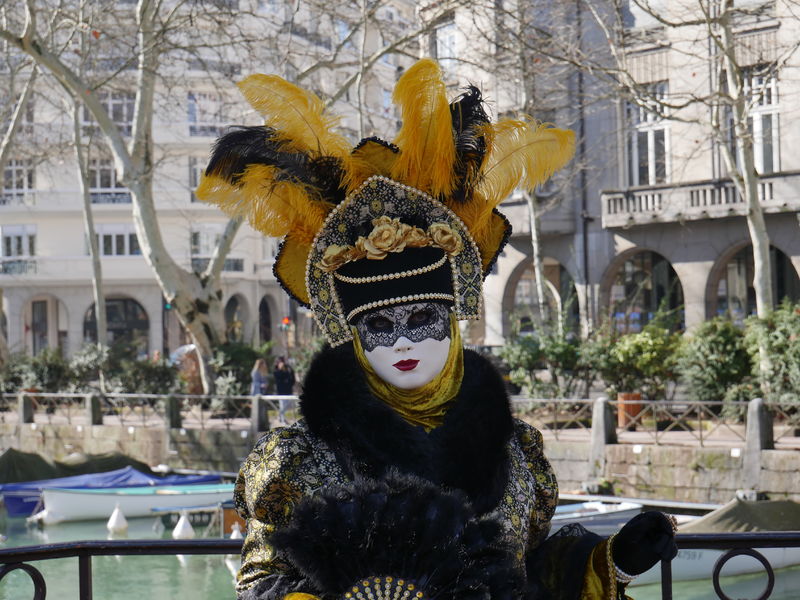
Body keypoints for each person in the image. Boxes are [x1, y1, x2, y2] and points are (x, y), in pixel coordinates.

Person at [198, 59, 677, 600]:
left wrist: (606, 561)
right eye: (378, 324)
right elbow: (261, 584)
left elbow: (526, 573)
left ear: (453, 323)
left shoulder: (514, 454)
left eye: (423, 319)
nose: (403, 341)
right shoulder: (302, 460)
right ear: (350, 336)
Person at [273, 356, 295, 424]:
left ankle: (280, 416)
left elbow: (292, 377)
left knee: (288, 406)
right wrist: (280, 369)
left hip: (288, 390)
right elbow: (279, 377)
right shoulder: (276, 371)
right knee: (283, 406)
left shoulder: (288, 369)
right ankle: (282, 420)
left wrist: (289, 368)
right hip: (281, 391)